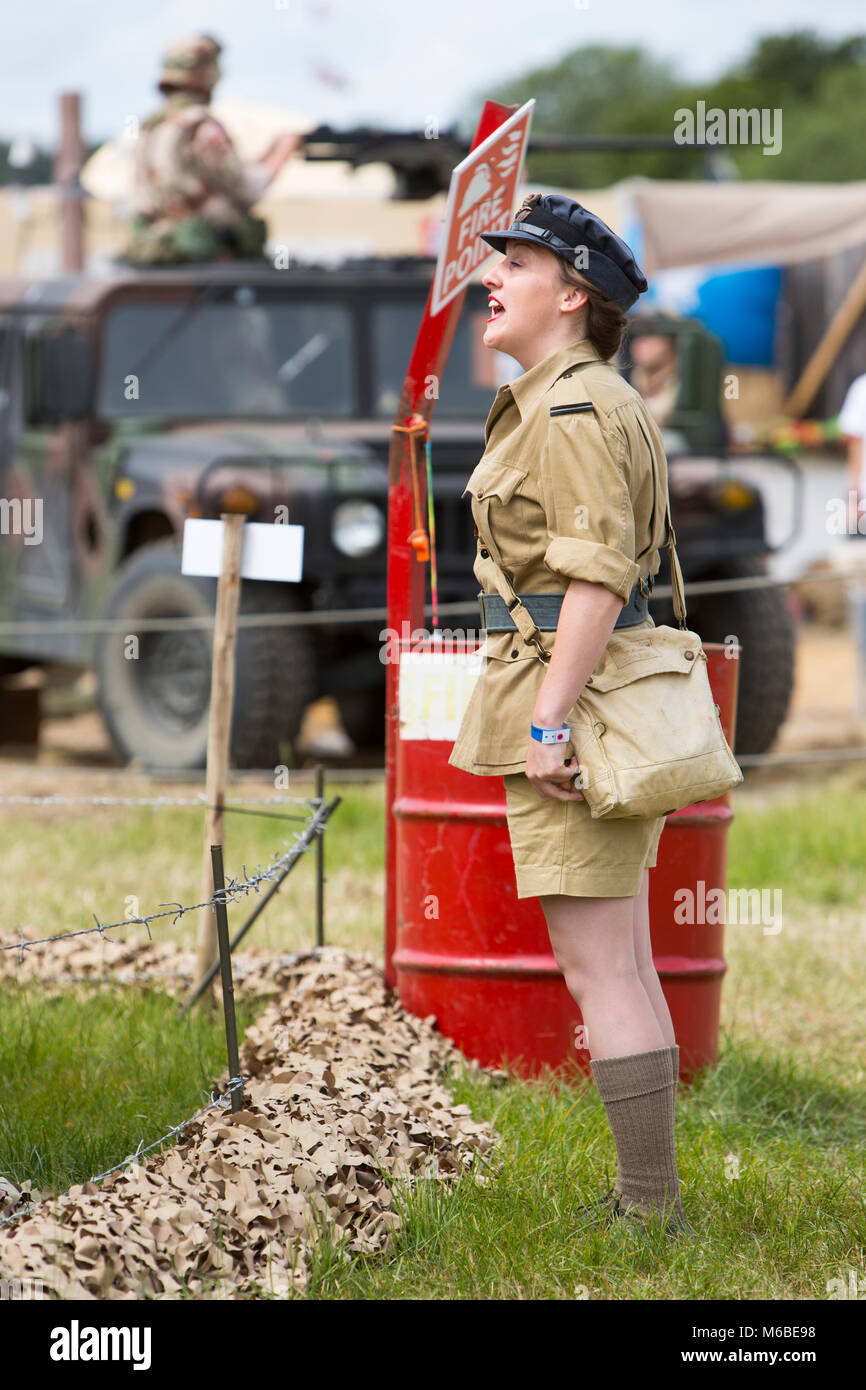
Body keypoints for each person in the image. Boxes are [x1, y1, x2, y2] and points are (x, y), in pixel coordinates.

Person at [447, 191, 694, 1240]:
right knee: (624, 960)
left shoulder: (569, 407)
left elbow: (591, 580)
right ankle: (651, 1201)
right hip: (588, 687)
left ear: (574, 292)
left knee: (602, 969)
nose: (487, 278)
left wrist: (548, 724)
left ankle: (649, 1212)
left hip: (574, 697)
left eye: (511, 262)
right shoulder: (573, 393)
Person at [123, 33, 300, 265]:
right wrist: (283, 150)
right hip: (206, 261)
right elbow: (248, 189)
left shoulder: (149, 129)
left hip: (160, 254)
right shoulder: (202, 128)